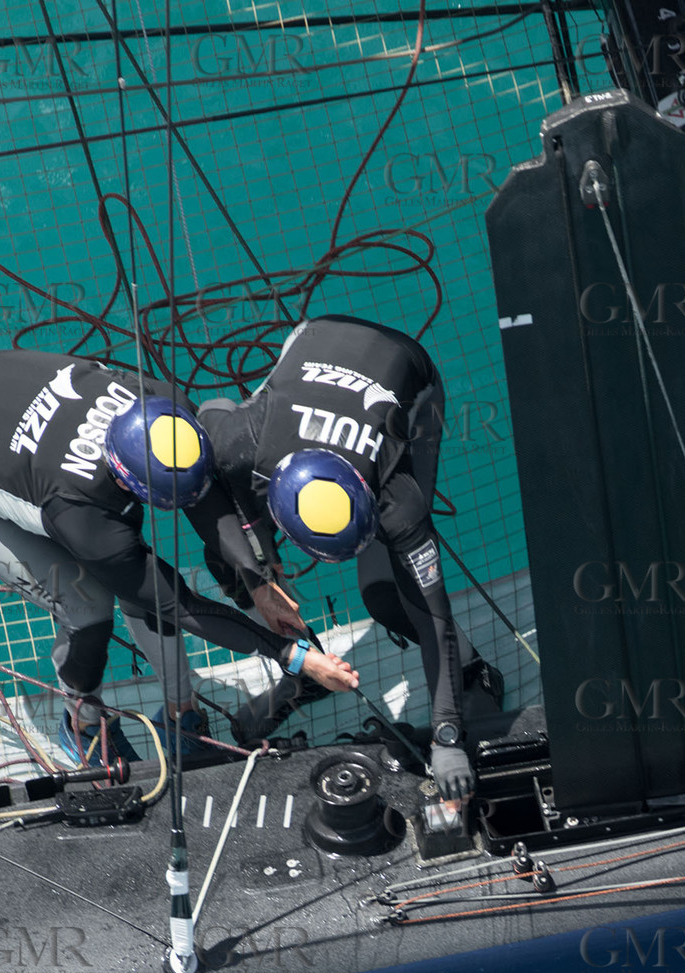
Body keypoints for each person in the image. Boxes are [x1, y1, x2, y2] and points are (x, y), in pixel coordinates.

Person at [0, 348, 359, 767]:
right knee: (88, 608)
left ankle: (180, 714)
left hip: (5, 403)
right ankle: (84, 726)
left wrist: (256, 581)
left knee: (137, 575)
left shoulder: (162, 400)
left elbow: (203, 493)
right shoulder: (83, 515)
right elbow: (177, 604)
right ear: (125, 480)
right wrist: (290, 655)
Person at [196, 314, 504, 800]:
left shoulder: (397, 501)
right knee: (228, 560)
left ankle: (472, 672)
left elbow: (435, 616)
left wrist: (447, 736)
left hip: (405, 368)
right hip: (315, 336)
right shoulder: (239, 442)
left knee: (387, 595)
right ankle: (307, 669)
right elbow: (211, 410)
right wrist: (261, 565)